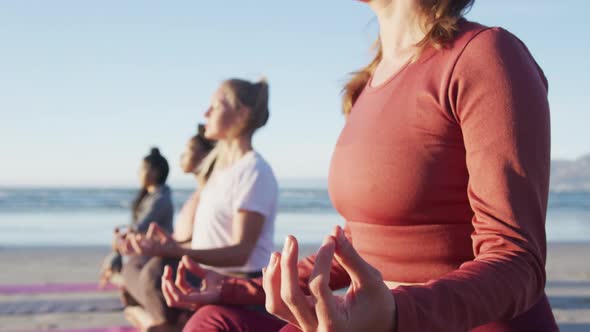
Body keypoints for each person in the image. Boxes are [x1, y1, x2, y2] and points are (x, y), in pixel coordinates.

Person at [162, 1, 558, 331]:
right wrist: (237, 289)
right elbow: (362, 243)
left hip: (447, 321)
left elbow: (518, 263)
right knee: (212, 320)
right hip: (374, 318)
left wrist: (394, 312)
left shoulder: (486, 56)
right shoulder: (368, 84)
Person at [126, 78, 279, 331]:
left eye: (215, 106)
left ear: (242, 113)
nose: (205, 112)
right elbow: (209, 242)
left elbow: (241, 252)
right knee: (135, 266)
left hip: (240, 288)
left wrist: (178, 252)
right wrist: (168, 246)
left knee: (154, 278)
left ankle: (158, 324)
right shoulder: (220, 172)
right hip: (207, 277)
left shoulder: (254, 170)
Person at [118, 125, 216, 332]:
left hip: (196, 269)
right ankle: (149, 314)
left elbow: (203, 245)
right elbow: (186, 240)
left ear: (206, 155)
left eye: (188, 149)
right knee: (133, 266)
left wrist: (170, 248)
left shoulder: (209, 194)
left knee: (153, 273)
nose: (182, 155)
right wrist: (166, 244)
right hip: (181, 260)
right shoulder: (196, 195)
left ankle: (153, 321)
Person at [100, 147, 173, 286]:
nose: (138, 173)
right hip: (143, 249)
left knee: (115, 264)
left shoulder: (160, 199)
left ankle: (128, 288)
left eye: (142, 169)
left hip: (152, 253)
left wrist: (121, 240)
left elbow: (141, 226)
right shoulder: (151, 196)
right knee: (114, 260)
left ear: (154, 172)